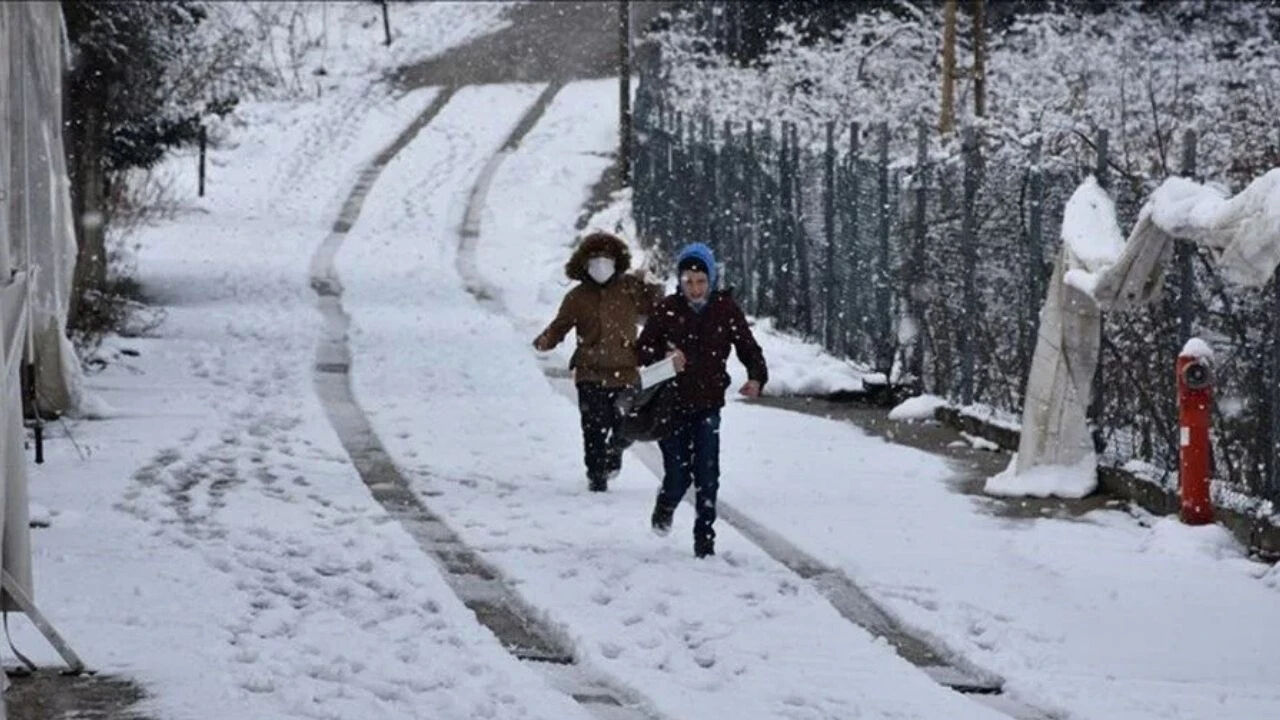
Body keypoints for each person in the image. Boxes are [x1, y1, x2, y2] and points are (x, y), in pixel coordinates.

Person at [636, 242, 767, 558]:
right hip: (671, 406)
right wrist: (665, 356)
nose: (695, 289)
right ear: (679, 281)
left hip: (708, 404)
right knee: (678, 476)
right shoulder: (667, 310)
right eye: (688, 282)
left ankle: (704, 541)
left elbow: (749, 347)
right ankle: (666, 503)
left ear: (711, 280)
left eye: (701, 281)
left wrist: (756, 377)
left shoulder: (725, 310)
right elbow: (641, 351)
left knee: (708, 476)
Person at [533, 232, 663, 492]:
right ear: (584, 263)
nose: (601, 264)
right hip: (589, 373)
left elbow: (655, 310)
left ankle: (614, 453)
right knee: (593, 427)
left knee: (623, 424)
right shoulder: (577, 297)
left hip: (625, 372)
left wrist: (653, 285)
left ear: (617, 261)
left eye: (606, 258)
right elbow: (560, 326)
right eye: (595, 259)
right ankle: (596, 475)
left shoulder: (629, 288)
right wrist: (546, 340)